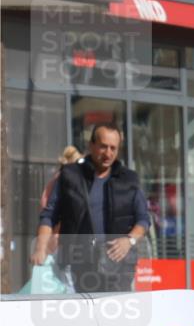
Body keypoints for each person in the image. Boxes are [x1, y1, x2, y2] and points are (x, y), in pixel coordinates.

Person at [32, 123, 150, 293]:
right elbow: (49, 215)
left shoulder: (129, 179)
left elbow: (143, 219)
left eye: (113, 148)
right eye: (103, 147)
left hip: (119, 265)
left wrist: (129, 240)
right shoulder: (70, 176)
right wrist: (40, 248)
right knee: (84, 308)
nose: (108, 153)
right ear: (91, 145)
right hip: (80, 263)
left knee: (115, 308)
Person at [37, 145, 83, 257]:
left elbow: (44, 205)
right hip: (57, 236)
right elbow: (50, 210)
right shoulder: (63, 180)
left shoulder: (56, 178)